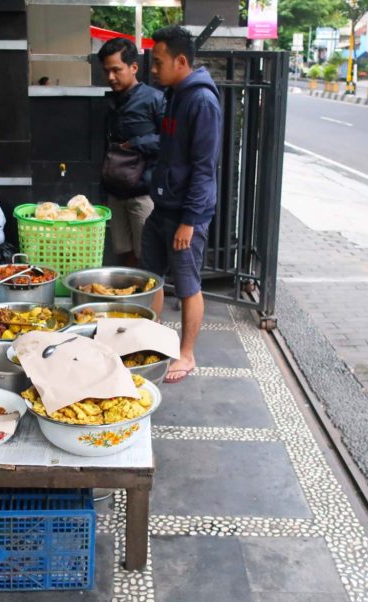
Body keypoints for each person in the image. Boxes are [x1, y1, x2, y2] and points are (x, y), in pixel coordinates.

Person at [143, 25, 222, 384]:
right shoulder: (174, 93)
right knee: (152, 280)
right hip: (163, 207)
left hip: (185, 215)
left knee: (188, 285)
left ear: (181, 60)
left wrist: (189, 221)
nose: (153, 69)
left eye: (158, 62)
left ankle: (186, 354)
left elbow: (205, 168)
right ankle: (153, 341)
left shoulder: (202, 101)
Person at [98, 37, 165, 266]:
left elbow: (170, 140)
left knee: (146, 256)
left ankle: (147, 302)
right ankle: (127, 301)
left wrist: (136, 143)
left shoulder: (154, 99)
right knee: (124, 252)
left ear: (133, 67)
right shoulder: (112, 101)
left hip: (143, 194)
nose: (110, 77)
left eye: (116, 70)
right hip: (116, 192)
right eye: (106, 71)